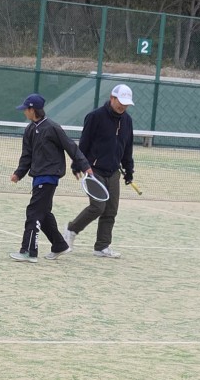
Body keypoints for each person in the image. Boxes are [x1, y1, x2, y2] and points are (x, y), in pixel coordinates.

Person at [9, 93, 91, 263]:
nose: (24, 112)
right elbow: (27, 155)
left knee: (33, 212)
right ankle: (59, 245)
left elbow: (71, 147)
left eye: (26, 109)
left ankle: (29, 251)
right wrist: (19, 173)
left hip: (49, 177)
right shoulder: (30, 129)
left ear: (33, 110)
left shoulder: (52, 127)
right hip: (37, 177)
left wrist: (85, 166)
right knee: (44, 213)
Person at [63, 84, 135, 258]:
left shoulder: (127, 120)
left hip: (114, 172)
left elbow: (127, 147)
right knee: (97, 207)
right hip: (93, 170)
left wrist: (129, 170)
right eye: (121, 102)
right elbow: (84, 143)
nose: (123, 106)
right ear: (112, 98)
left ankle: (102, 247)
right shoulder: (95, 116)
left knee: (111, 210)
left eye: (126, 104)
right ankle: (71, 230)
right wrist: (76, 164)